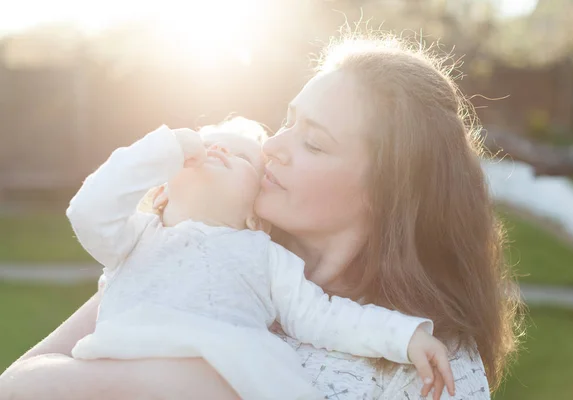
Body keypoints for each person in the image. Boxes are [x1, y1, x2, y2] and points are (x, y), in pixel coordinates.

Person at [0, 32, 519, 400]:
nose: (274, 147)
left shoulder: (431, 369)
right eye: (287, 122)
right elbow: (17, 384)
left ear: (389, 193)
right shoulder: (185, 255)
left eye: (314, 143)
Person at [64, 117, 452, 400]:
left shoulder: (264, 257)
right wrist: (167, 147)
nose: (216, 150)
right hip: (125, 373)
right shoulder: (134, 239)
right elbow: (88, 210)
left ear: (256, 217)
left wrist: (404, 336)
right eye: (201, 147)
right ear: (162, 192)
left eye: (242, 157)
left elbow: (326, 317)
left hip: (229, 377)